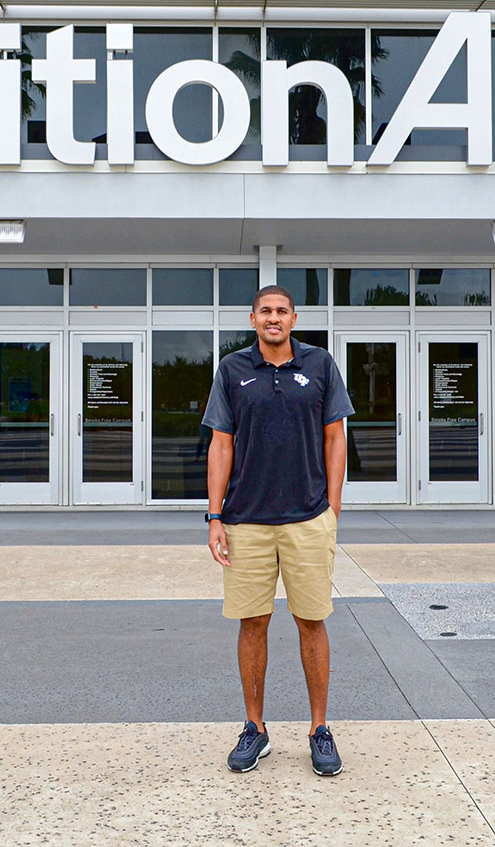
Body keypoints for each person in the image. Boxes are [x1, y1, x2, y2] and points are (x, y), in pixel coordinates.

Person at [202, 284, 354, 776]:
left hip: (308, 519)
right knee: (253, 624)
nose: (273, 318)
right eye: (265, 311)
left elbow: (336, 437)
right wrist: (215, 515)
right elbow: (220, 445)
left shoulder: (320, 365)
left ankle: (319, 730)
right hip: (246, 521)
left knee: (312, 622)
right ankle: (255, 729)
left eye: (281, 311)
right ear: (252, 319)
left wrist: (331, 507)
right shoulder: (232, 370)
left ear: (294, 318)